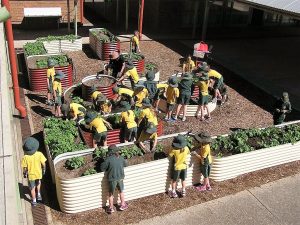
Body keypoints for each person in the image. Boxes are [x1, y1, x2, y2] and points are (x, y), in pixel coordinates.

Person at [101, 145, 128, 214]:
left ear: (110, 152)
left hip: (112, 179)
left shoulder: (108, 159)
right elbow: (126, 164)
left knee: (111, 193)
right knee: (121, 191)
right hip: (120, 178)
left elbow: (102, 168)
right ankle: (123, 205)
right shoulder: (121, 157)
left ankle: (111, 208)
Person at [21, 137, 47, 206]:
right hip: (38, 173)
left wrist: (24, 173)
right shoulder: (39, 154)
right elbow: (44, 163)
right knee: (38, 182)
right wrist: (44, 169)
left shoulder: (25, 157)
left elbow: (24, 168)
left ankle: (34, 201)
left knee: (32, 188)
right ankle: (38, 194)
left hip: (31, 175)